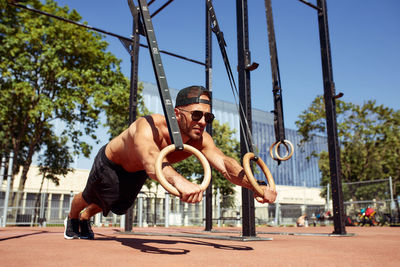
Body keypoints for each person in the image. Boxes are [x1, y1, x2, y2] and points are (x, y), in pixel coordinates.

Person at [64, 85, 277, 239]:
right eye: (196, 115)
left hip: (138, 172)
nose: (202, 122)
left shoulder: (201, 139)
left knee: (112, 204)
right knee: (90, 196)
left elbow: (224, 165)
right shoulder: (148, 126)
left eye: (208, 117)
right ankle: (73, 218)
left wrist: (256, 185)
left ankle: (85, 218)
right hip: (111, 163)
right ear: (177, 114)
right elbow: (150, 158)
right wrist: (179, 181)